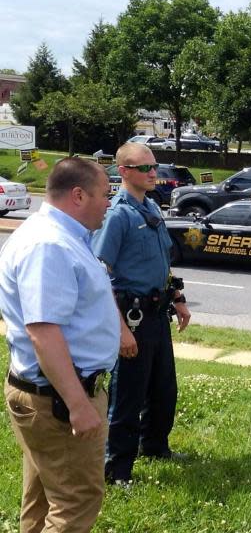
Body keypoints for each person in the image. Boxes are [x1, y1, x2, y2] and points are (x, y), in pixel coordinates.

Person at [0, 157, 128, 532]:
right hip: (57, 399)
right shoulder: (49, 245)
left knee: (41, 501)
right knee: (76, 501)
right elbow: (43, 331)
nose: (110, 201)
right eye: (106, 194)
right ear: (78, 195)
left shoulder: (64, 236)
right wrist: (77, 404)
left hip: (51, 394)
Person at [92, 142, 191, 485]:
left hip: (157, 312)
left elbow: (161, 260)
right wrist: (120, 331)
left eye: (155, 166)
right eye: (145, 168)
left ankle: (154, 445)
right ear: (124, 172)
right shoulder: (118, 214)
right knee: (127, 395)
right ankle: (116, 467)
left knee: (163, 387)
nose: (154, 173)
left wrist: (177, 296)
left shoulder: (150, 206)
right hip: (130, 315)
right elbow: (99, 276)